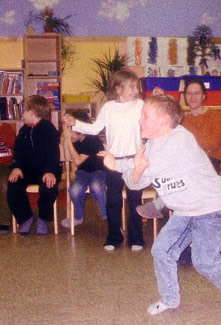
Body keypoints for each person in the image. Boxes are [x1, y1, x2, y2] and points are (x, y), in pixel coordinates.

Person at [100, 94, 221, 315]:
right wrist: (135, 168)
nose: (140, 120)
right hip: (185, 210)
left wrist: (117, 164)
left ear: (164, 120)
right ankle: (170, 298)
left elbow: (144, 168)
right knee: (161, 251)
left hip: (212, 210)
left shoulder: (180, 140)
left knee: (204, 261)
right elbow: (135, 182)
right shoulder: (151, 145)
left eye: (146, 116)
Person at [63, 69, 147, 251]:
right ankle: (114, 237)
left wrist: (159, 99)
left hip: (134, 160)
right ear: (118, 88)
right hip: (113, 161)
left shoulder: (140, 104)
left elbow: (152, 119)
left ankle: (137, 238)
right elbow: (94, 129)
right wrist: (74, 123)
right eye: (131, 86)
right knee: (113, 200)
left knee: (134, 199)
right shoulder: (108, 108)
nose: (135, 89)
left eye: (136, 86)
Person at [136, 77, 221, 218]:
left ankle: (159, 204)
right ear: (184, 97)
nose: (193, 97)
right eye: (189, 93)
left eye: (197, 93)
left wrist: (186, 144)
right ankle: (169, 208)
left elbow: (213, 143)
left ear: (203, 96)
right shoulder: (182, 119)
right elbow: (169, 138)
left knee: (188, 171)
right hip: (186, 160)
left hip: (213, 159)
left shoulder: (215, 116)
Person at [7, 95, 61, 235]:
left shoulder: (48, 129)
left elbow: (53, 154)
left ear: (32, 113)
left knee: (48, 188)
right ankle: (26, 218)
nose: (22, 114)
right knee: (13, 185)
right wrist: (16, 167)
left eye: (24, 111)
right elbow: (18, 152)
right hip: (28, 170)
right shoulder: (24, 130)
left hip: (47, 169)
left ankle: (43, 218)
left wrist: (49, 171)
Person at [60, 111, 107, 229]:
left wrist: (68, 141)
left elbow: (77, 161)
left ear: (80, 130)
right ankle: (78, 217)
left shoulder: (92, 140)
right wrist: (67, 141)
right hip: (83, 173)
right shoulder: (76, 140)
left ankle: (109, 218)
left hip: (99, 172)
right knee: (74, 190)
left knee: (96, 187)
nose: (66, 133)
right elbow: (69, 158)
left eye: (69, 130)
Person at [0, 99, 16, 234]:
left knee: (3, 184)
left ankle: (5, 221)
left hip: (4, 164)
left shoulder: (5, 128)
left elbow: (12, 144)